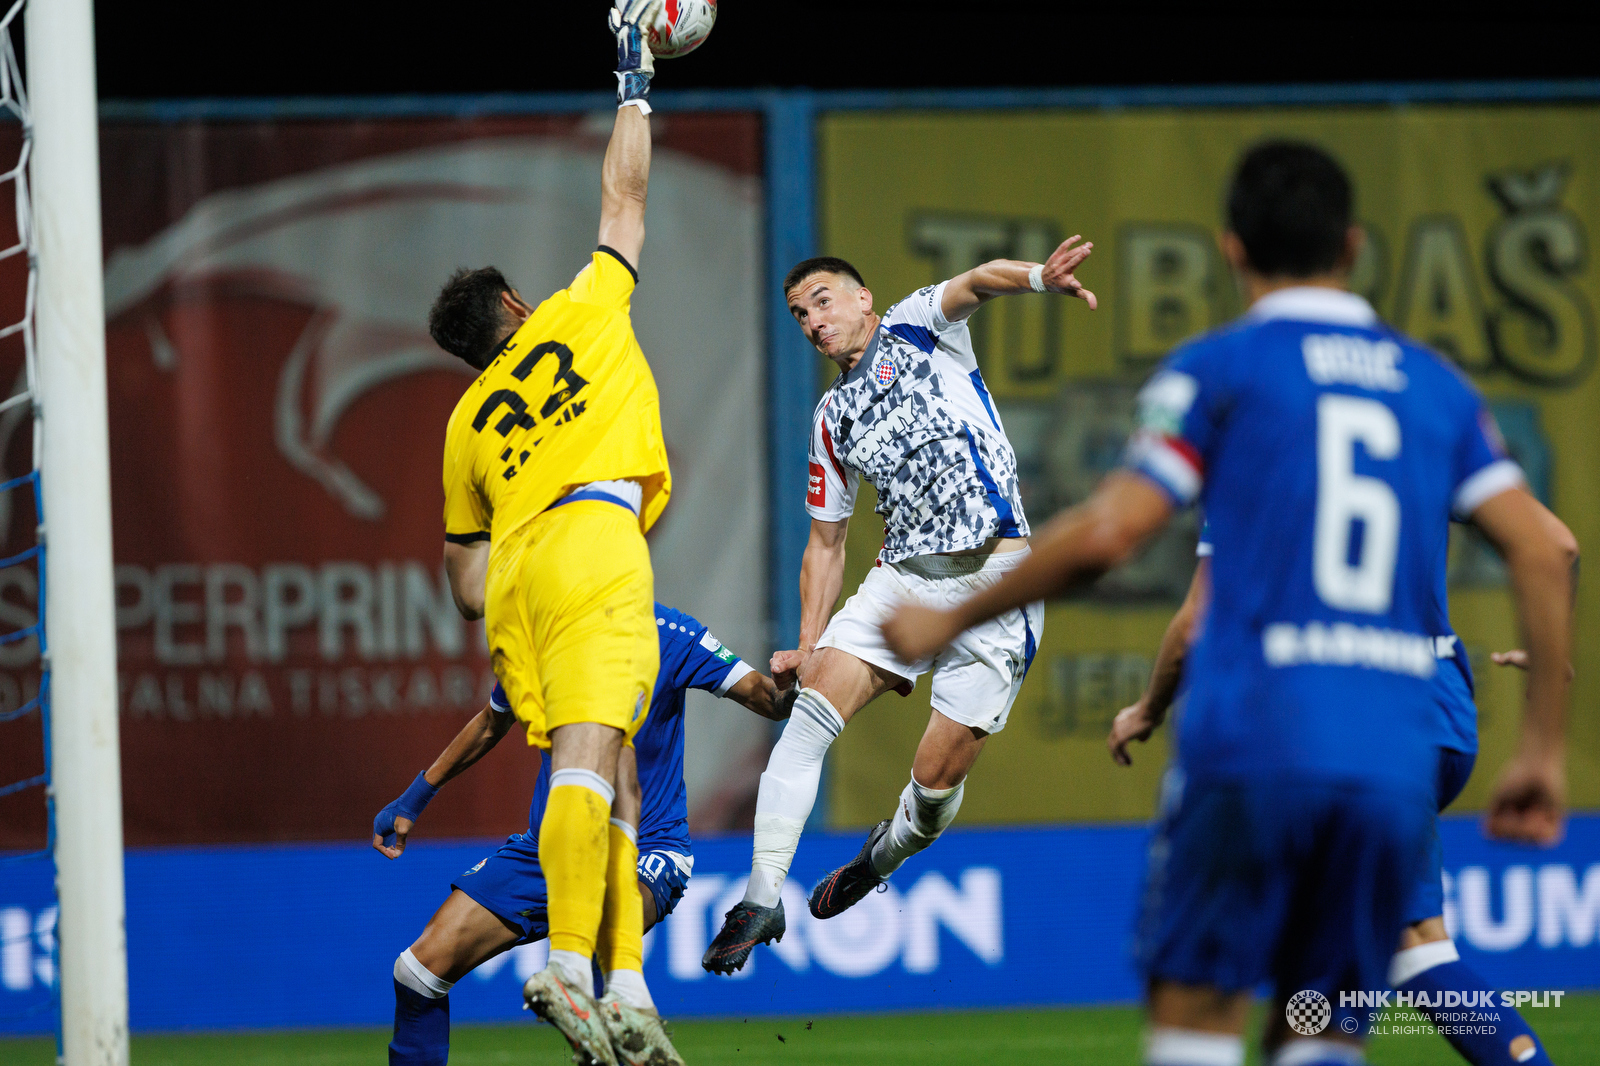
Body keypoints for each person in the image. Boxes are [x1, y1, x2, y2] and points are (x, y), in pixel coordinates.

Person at [882, 141, 1573, 1066]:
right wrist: (1541, 748)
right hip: (1393, 752)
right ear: (1354, 246)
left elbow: (1110, 532)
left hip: (1259, 736)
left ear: (1234, 249)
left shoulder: (1223, 371)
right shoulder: (1436, 389)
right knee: (1322, 1025)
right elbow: (1544, 544)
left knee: (1198, 1018)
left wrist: (948, 616)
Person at [701, 240, 1098, 974]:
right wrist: (809, 642)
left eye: (822, 301)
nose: (812, 321)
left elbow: (980, 279)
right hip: (903, 580)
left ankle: (878, 860)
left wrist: (1039, 277)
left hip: (996, 586)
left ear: (863, 300)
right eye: (798, 315)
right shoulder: (830, 419)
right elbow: (826, 543)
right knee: (810, 712)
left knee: (935, 790)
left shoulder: (919, 325)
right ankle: (761, 896)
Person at [425, 4, 674, 1061]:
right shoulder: (579, 310)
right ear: (517, 305)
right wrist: (634, 79)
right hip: (597, 541)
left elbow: (467, 589)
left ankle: (625, 986)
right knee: (591, 758)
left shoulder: (464, 422)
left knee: (607, 765)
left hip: (521, 571)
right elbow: (624, 194)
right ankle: (569, 963)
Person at [1111, 517, 1573, 1066]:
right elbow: (1557, 543)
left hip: (1344, 714)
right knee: (1352, 944)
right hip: (1442, 707)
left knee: (1403, 947)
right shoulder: (1433, 431)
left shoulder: (1255, 441)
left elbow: (1196, 623)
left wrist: (1149, 708)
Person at [377, 604, 789, 1066]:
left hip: (646, 847)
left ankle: (612, 1026)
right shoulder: (539, 638)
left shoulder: (668, 634)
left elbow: (767, 698)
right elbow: (494, 721)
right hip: (547, 847)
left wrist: (801, 677)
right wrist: (415, 796)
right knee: (416, 971)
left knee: (596, 944)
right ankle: (615, 1034)